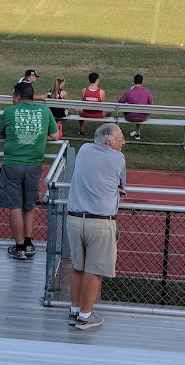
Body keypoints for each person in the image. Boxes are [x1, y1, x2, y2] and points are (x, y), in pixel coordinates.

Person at [66, 123, 126, 329]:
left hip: (74, 220)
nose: (123, 143)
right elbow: (122, 184)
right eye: (120, 140)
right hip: (100, 223)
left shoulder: (83, 150)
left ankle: (74, 311)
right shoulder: (118, 158)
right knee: (94, 270)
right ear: (110, 143)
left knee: (77, 266)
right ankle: (85, 315)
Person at [0, 82, 59, 260]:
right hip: (34, 165)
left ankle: (19, 247)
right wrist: (35, 136)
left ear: (17, 97)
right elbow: (55, 136)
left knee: (15, 206)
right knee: (29, 205)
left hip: (12, 163)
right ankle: (29, 243)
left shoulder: (10, 111)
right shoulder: (45, 111)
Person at [118, 74, 153, 140]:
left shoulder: (128, 92)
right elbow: (150, 103)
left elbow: (120, 102)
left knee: (132, 111)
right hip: (142, 117)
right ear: (142, 82)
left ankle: (136, 133)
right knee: (140, 111)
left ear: (134, 82)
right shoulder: (146, 92)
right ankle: (137, 133)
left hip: (130, 117)